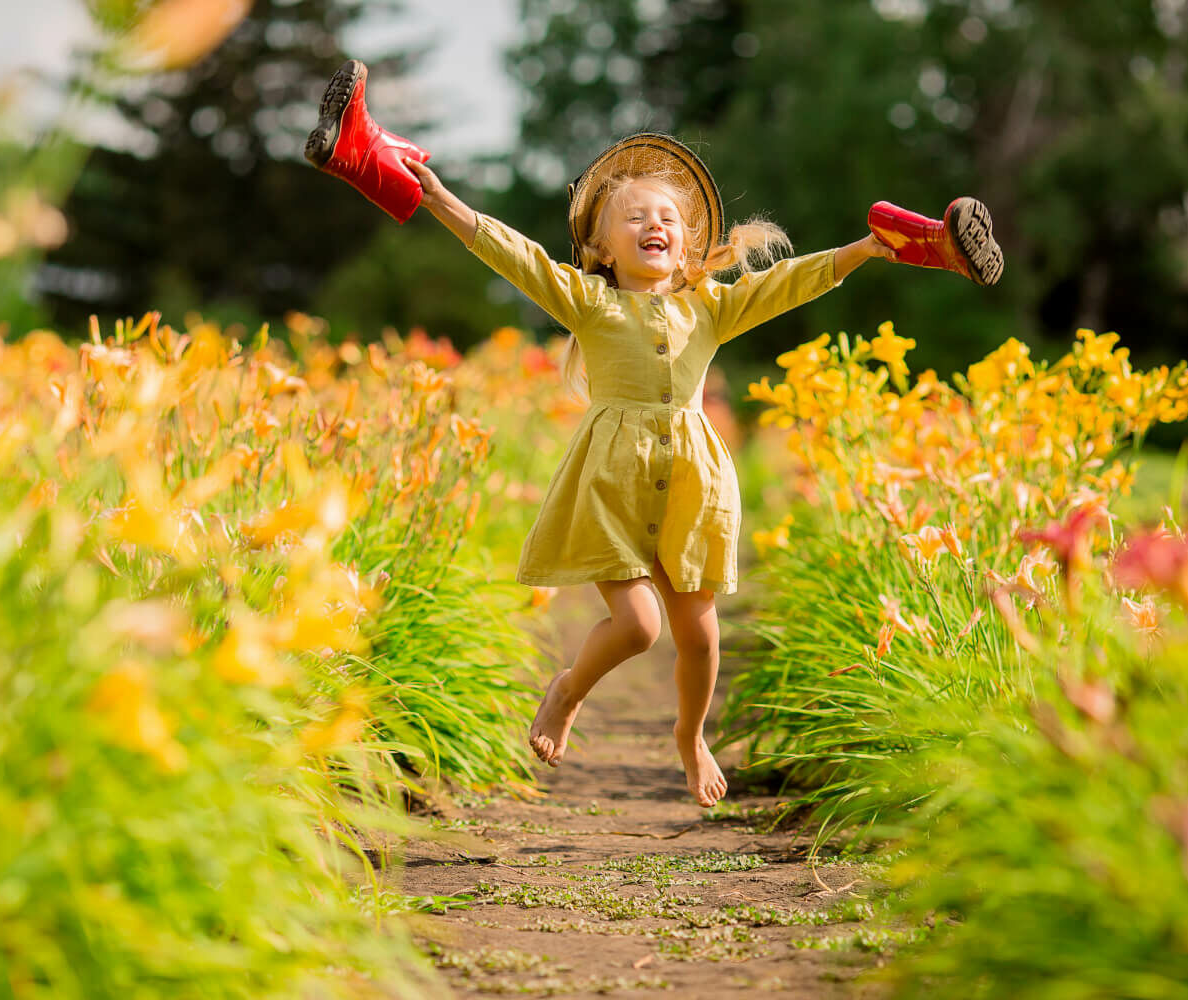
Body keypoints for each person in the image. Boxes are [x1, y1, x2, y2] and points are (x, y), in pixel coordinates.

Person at [307, 59, 1002, 808]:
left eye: (667, 217)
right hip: (609, 485)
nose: (654, 225)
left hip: (693, 490)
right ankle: (568, 692)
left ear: (689, 243)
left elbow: (785, 283)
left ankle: (690, 735)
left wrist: (865, 250)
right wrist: (438, 192)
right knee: (638, 628)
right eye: (633, 217)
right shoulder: (586, 300)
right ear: (602, 247)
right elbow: (506, 249)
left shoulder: (709, 308)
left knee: (700, 639)